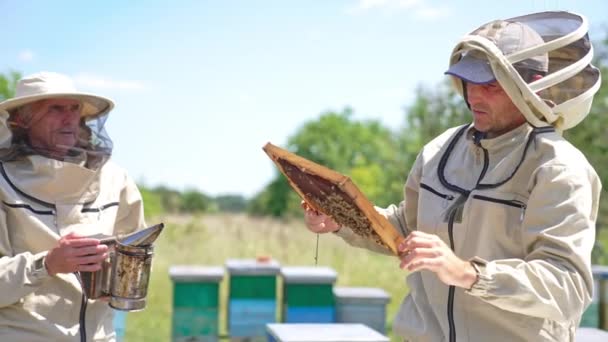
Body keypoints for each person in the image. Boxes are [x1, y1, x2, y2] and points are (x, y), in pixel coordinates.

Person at [303, 11, 602, 342]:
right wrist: (342, 221)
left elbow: (567, 287)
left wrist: (467, 273)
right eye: (468, 81)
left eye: (489, 85)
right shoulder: (439, 150)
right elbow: (406, 228)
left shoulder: (558, 168)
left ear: (529, 86)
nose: (473, 96)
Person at [0, 72, 146, 341]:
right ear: (22, 120)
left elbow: (135, 251)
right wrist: (48, 263)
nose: (69, 118)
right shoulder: (2, 183)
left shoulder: (116, 179)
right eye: (55, 108)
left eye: (74, 108)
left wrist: (115, 277)